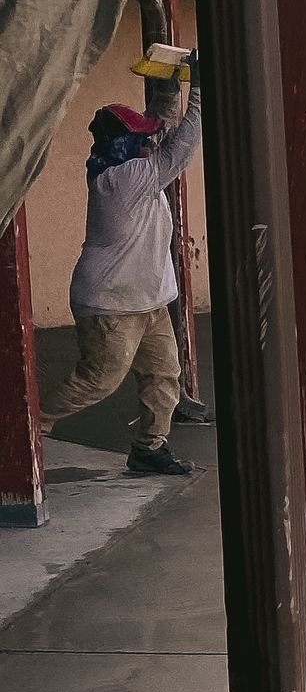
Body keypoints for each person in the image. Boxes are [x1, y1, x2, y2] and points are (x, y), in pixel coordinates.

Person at [41, 63, 203, 477]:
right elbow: (179, 148)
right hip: (110, 304)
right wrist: (200, 91)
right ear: (123, 146)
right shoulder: (122, 179)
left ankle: (150, 448)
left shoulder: (131, 166)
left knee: (165, 376)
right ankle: (28, 430)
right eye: (141, 139)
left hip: (148, 300)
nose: (150, 142)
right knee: (97, 381)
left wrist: (169, 89)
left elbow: (162, 135)